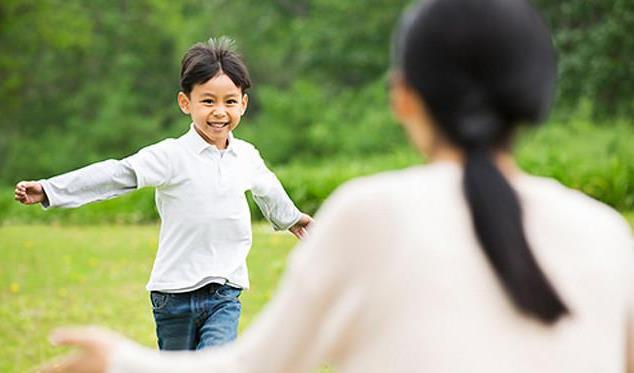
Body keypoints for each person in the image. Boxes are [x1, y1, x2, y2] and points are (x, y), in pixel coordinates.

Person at [40, 0, 634, 372]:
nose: (220, 110)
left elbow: (256, 366)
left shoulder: (369, 215)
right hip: (176, 288)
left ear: (403, 96)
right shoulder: (610, 235)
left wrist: (119, 361)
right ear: (538, 98)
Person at [14, 37, 313, 351]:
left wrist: (292, 219)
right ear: (186, 103)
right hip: (173, 296)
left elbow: (269, 190)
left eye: (229, 101)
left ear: (243, 103)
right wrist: (51, 190)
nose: (219, 112)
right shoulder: (171, 156)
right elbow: (116, 174)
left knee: (217, 363)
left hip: (225, 292)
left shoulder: (247, 156)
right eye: (208, 101)